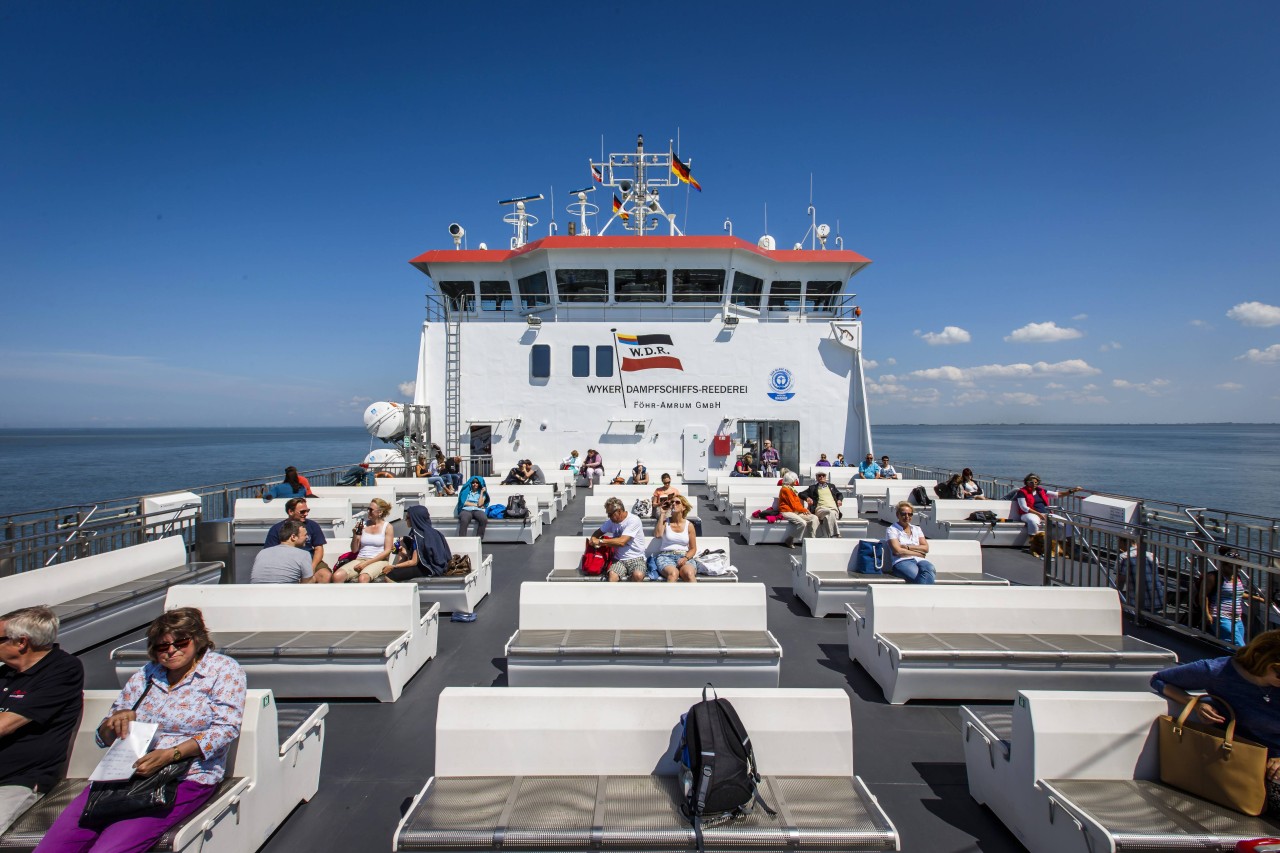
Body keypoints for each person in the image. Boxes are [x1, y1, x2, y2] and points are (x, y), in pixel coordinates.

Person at [34, 607, 246, 853]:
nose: (171, 650)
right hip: (122, 775)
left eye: (181, 642)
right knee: (50, 849)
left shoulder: (222, 670)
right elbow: (103, 737)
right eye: (162, 646)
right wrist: (113, 723)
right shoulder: (146, 674)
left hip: (181, 776)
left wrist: (171, 754)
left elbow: (226, 728)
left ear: (197, 640)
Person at [1151, 629, 1280, 815]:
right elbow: (1159, 680)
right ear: (1261, 661)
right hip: (1243, 763)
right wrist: (1195, 704)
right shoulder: (1219, 671)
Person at [0, 607, 84, 835]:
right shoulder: (5, 674)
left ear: (21, 642)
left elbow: (3, 725)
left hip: (17, 780)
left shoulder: (63, 670)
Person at [1202, 545, 1266, 646]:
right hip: (1221, 617)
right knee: (1239, 646)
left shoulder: (1237, 578)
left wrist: (1258, 598)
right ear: (1223, 565)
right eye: (1232, 566)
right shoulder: (1214, 577)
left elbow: (1238, 594)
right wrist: (1206, 614)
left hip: (1237, 618)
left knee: (1234, 646)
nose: (1237, 569)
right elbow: (1203, 595)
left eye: (1239, 566)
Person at [263, 498, 330, 581]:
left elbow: (318, 549)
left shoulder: (313, 526)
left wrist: (312, 566)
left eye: (307, 511)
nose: (306, 514)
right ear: (290, 512)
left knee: (325, 576)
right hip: (285, 562)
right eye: (302, 512)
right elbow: (270, 552)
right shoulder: (276, 529)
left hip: (310, 560)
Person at [587, 497, 648, 582]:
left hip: (637, 558)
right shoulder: (611, 522)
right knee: (612, 576)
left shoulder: (633, 520)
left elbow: (622, 542)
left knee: (638, 575)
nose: (609, 517)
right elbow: (597, 533)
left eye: (610, 514)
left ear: (619, 511)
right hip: (619, 560)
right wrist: (593, 539)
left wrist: (600, 541)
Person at [386, 505, 451, 581]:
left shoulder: (419, 536)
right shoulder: (434, 532)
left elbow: (414, 562)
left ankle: (402, 593)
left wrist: (394, 566)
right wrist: (404, 553)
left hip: (428, 568)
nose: (405, 520)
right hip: (437, 567)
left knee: (390, 576)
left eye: (407, 518)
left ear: (415, 519)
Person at [251, 519, 326, 584]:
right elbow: (307, 584)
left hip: (257, 595)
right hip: (285, 596)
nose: (307, 537)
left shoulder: (262, 553)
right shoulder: (304, 554)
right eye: (305, 535)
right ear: (293, 537)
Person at [345, 498, 396, 583]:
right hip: (360, 559)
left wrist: (366, 563)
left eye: (370, 509)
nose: (368, 511)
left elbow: (387, 551)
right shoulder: (363, 525)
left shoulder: (387, 527)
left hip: (379, 561)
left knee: (363, 578)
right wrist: (355, 535)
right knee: (337, 576)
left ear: (380, 512)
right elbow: (354, 550)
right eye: (368, 509)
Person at [1015, 473, 1083, 536]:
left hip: (1045, 513)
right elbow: (1024, 507)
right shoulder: (1022, 492)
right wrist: (1039, 514)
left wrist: (1072, 491)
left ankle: (1070, 544)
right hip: (1029, 514)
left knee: (1067, 523)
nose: (1034, 484)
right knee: (1032, 521)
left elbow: (1058, 494)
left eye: (1036, 482)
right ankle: (1034, 543)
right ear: (1026, 482)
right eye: (1031, 482)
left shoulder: (1041, 491)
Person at [886, 501, 936, 584]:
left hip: (920, 560)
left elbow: (926, 548)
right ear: (897, 515)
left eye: (910, 514)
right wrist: (919, 553)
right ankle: (928, 595)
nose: (907, 516)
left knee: (929, 568)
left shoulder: (917, 529)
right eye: (903, 514)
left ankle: (923, 595)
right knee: (919, 576)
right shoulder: (892, 530)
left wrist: (908, 547)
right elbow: (897, 551)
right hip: (902, 561)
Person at [653, 494, 698, 582]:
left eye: (677, 502)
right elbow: (658, 535)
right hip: (665, 556)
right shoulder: (665, 522)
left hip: (684, 556)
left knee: (689, 573)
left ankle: (696, 595)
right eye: (672, 502)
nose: (674, 504)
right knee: (673, 574)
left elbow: (693, 548)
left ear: (683, 507)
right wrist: (662, 514)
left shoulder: (689, 525)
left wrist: (685, 558)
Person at [1115, 537, 1166, 613]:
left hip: (1137, 602)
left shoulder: (1124, 557)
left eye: (1118, 542)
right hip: (1157, 599)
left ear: (1123, 542)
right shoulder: (1151, 555)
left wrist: (1115, 597)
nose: (1118, 545)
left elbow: (1121, 580)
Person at [777, 471, 819, 548]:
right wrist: (804, 510)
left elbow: (797, 504)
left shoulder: (791, 489)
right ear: (791, 480)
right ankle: (790, 539)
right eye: (795, 479)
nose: (796, 481)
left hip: (796, 511)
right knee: (802, 523)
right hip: (787, 511)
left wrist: (803, 510)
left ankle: (812, 539)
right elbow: (793, 505)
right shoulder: (785, 490)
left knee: (814, 518)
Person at [799, 470, 844, 538]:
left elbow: (839, 494)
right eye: (819, 476)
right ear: (816, 478)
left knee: (828, 516)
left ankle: (827, 537)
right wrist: (807, 498)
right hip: (820, 509)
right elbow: (801, 494)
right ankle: (835, 535)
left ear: (826, 477)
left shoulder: (831, 486)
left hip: (833, 509)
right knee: (829, 512)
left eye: (823, 475)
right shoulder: (812, 488)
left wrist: (839, 500)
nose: (821, 477)